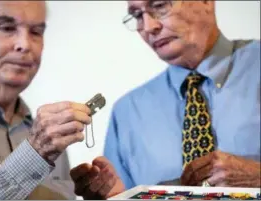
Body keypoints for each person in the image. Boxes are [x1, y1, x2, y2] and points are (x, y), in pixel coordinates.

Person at [70, 0, 260, 199]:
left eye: (160, 6)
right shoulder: (127, 112)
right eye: (137, 15)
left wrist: (257, 178)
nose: (149, 27)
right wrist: (118, 197)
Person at [0, 1, 92, 199]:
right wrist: (35, 153)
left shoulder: (45, 134)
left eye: (36, 32)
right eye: (7, 28)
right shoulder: (42, 142)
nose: (25, 44)